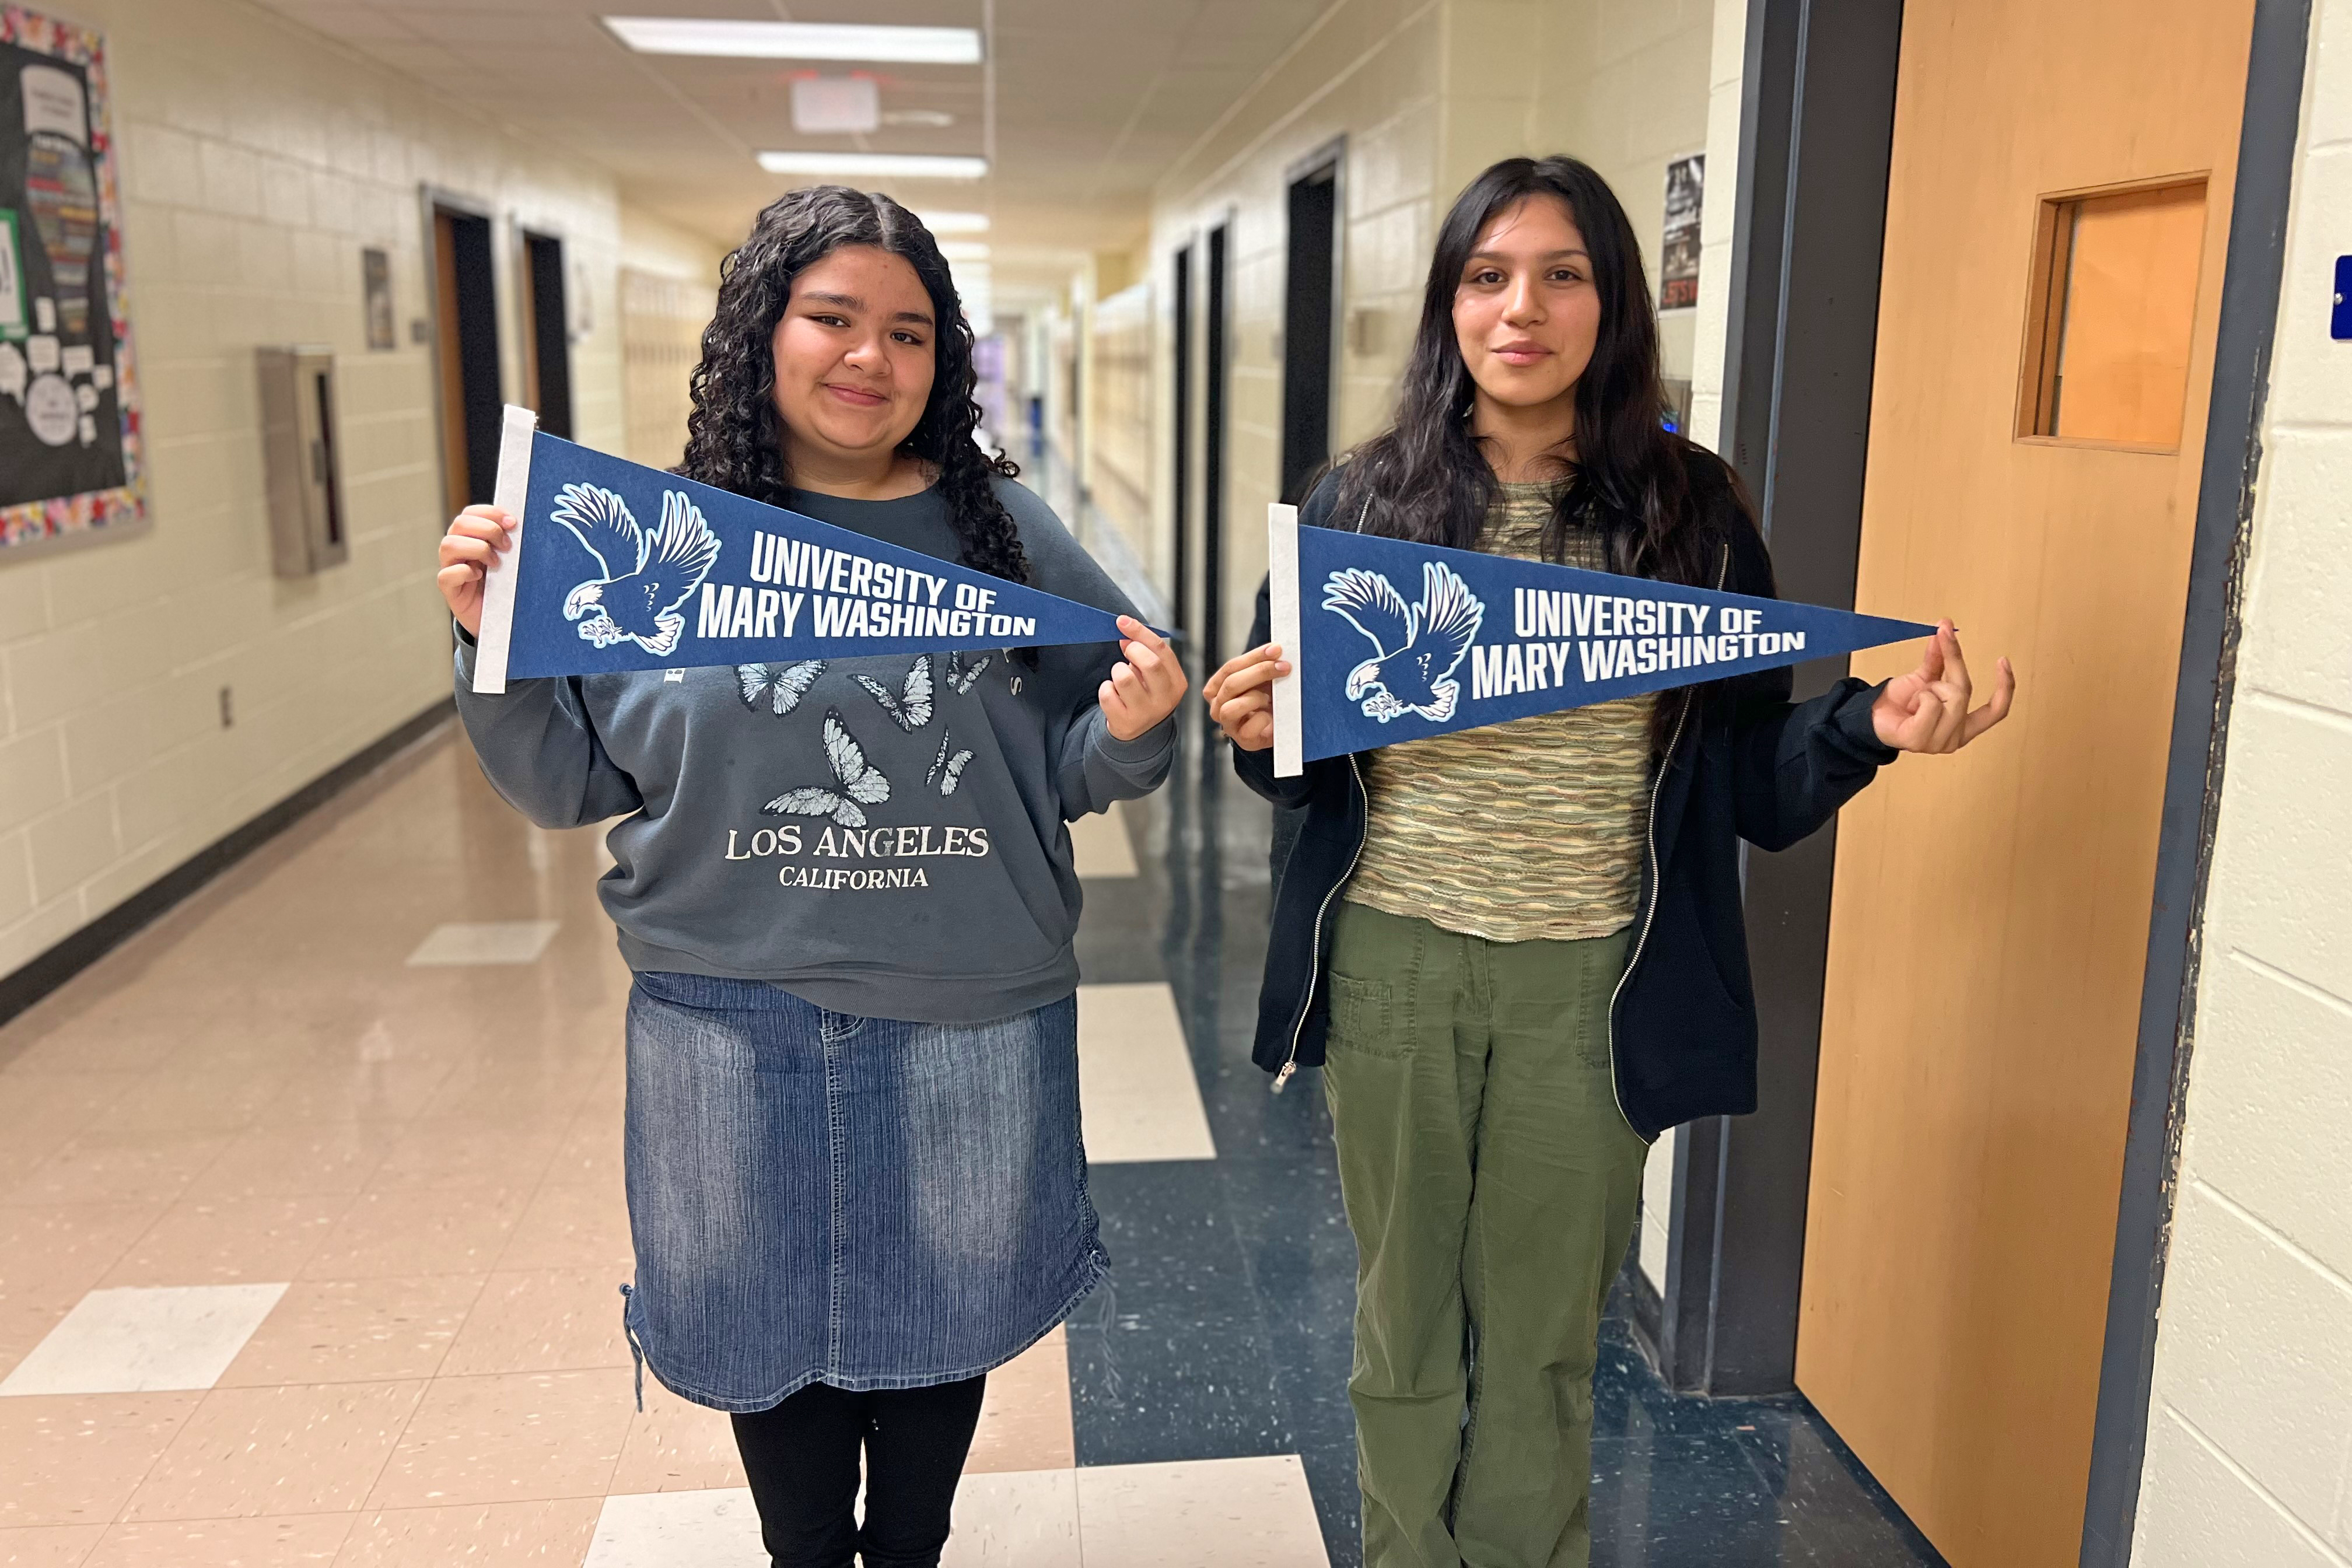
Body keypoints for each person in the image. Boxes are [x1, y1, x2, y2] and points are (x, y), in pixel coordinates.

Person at [1202, 156, 2014, 1568]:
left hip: (1596, 983)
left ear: (1614, 303)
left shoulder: (1693, 522)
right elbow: (1297, 776)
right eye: (1488, 276)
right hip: (1396, 960)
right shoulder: (1354, 508)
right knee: (1404, 1324)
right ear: (1450, 304)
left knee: (1544, 1341)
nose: (1523, 309)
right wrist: (1255, 728)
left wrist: (1870, 725)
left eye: (1562, 275)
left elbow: (1750, 784)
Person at [435, 186, 1184, 1568]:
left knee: (941, 1313)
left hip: (969, 1001)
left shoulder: (1002, 531)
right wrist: (493, 645)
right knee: (757, 1321)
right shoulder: (662, 542)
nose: (869, 359)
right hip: (725, 1009)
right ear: (761, 332)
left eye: (908, 332)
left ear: (942, 361)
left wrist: (1134, 732)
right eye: (831, 317)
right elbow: (568, 784)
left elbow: (1079, 756)